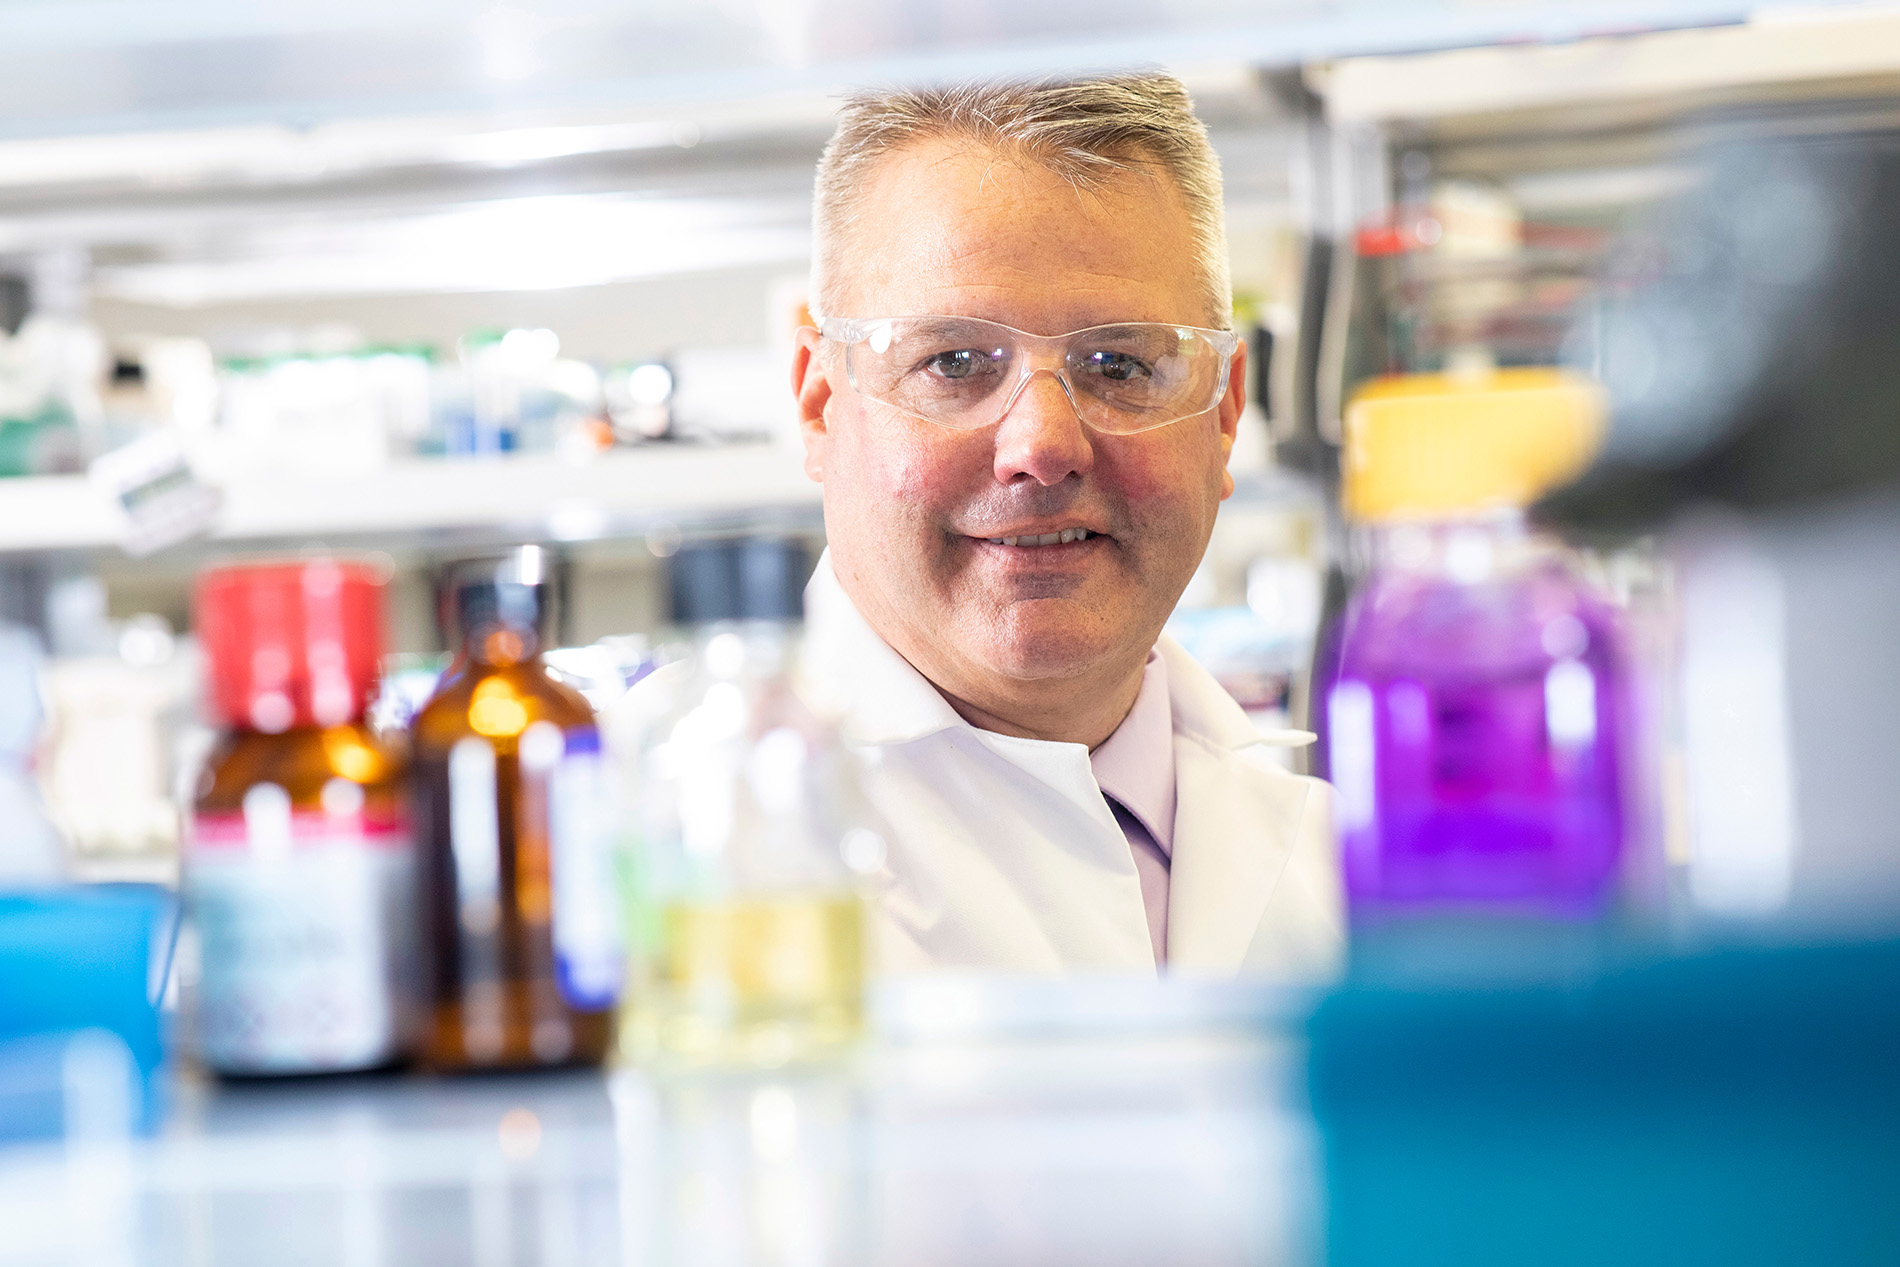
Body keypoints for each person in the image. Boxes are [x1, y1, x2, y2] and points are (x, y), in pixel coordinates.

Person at [789, 72, 1340, 979]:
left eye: (1119, 364)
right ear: (819, 404)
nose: (1042, 447)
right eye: (955, 360)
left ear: (1226, 412)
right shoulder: (642, 843)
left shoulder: (1343, 874)